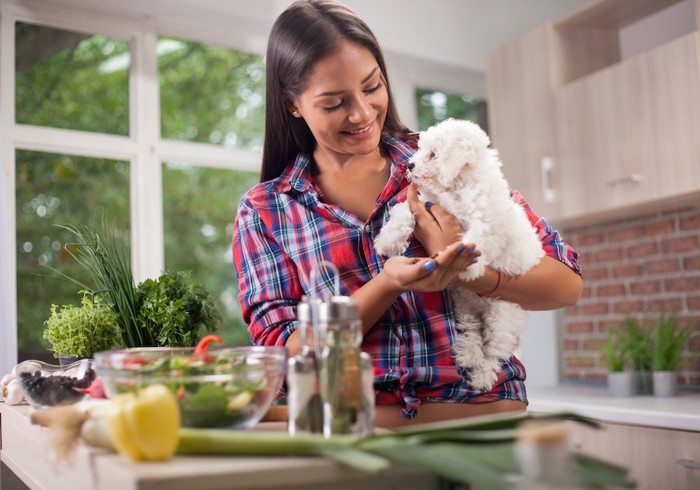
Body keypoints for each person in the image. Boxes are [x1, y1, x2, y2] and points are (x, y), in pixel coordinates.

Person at [232, 0, 583, 428]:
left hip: (481, 435)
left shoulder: (441, 159)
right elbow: (284, 353)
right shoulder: (267, 211)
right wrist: (386, 285)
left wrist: (468, 270)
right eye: (333, 103)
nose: (361, 113)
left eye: (372, 86)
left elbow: (566, 286)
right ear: (293, 103)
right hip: (354, 445)